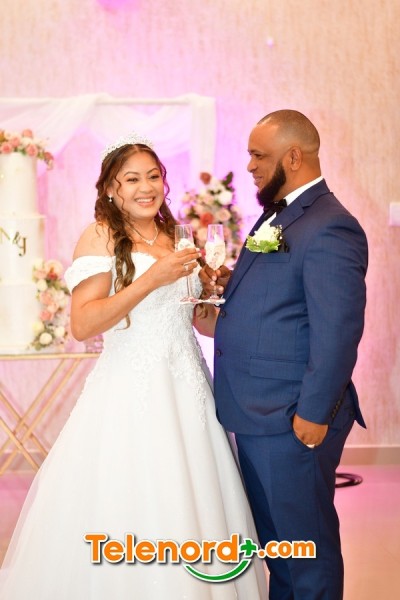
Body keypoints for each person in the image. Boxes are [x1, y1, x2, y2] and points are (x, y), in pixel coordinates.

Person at [0, 133, 268, 599]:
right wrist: (151, 280)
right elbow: (83, 324)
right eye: (132, 179)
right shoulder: (100, 236)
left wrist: (216, 296)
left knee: (195, 499)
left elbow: (199, 323)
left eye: (154, 176)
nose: (146, 187)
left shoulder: (179, 236)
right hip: (131, 392)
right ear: (111, 188)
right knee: (136, 497)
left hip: (189, 392)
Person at [200, 110, 368, 600]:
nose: (250, 166)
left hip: (291, 414)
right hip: (259, 411)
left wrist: (313, 413)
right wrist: (235, 289)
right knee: (282, 551)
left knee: (306, 550)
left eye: (259, 155)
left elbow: (338, 331)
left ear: (293, 157)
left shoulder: (331, 225)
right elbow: (285, 301)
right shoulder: (280, 213)